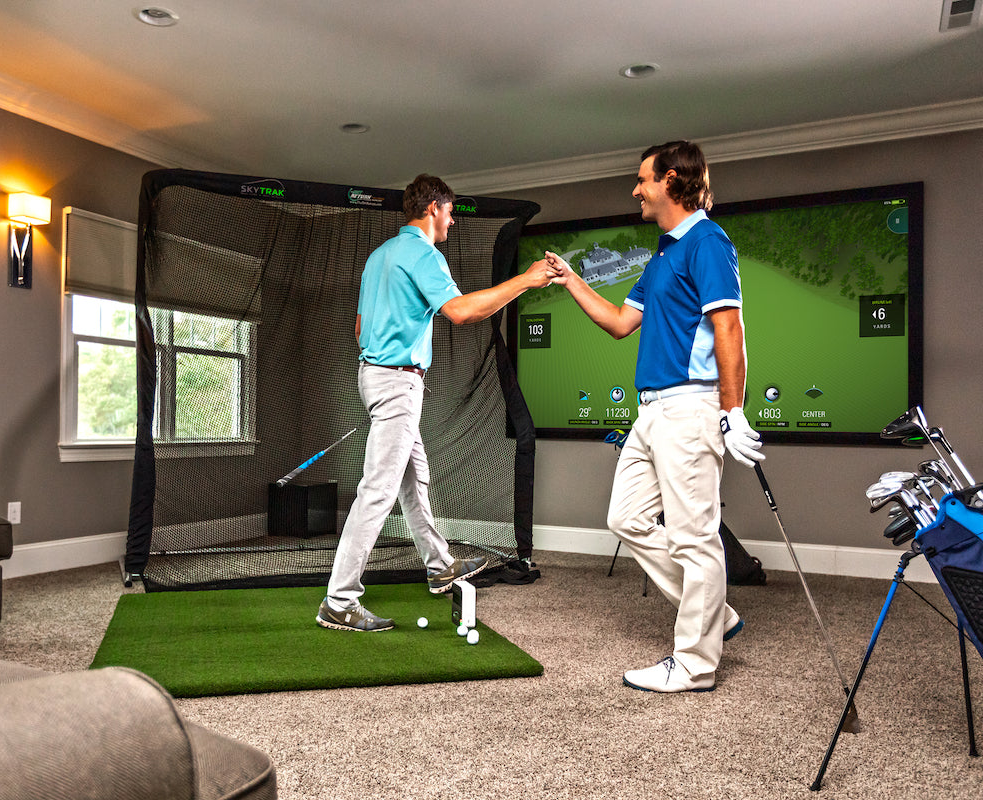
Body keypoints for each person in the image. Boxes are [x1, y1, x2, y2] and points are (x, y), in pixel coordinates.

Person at [543, 141, 763, 691]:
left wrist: (732, 411)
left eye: (641, 180)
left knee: (695, 539)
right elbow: (620, 322)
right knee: (625, 518)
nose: (635, 189)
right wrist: (572, 280)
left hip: (691, 406)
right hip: (651, 411)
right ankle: (715, 613)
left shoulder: (708, 242)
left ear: (670, 180)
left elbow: (729, 329)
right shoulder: (665, 251)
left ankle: (694, 664)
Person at [317, 174, 561, 632]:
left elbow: (358, 326)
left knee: (413, 479)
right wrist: (526, 281)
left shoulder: (379, 256)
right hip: (397, 384)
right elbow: (463, 312)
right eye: (450, 211)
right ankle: (340, 599)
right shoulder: (424, 254)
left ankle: (438, 563)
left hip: (374, 376)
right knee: (378, 490)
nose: (452, 220)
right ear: (433, 208)